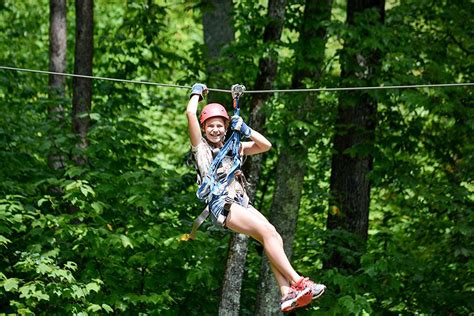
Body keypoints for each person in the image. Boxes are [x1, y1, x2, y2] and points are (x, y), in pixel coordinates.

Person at [186, 83, 326, 312]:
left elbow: (265, 146)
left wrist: (247, 129)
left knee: (273, 236)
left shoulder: (234, 147)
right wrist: (196, 92)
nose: (215, 130)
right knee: (268, 233)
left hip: (241, 203)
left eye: (219, 126)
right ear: (204, 128)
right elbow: (190, 113)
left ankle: (286, 293)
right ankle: (298, 282)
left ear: (226, 127)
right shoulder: (201, 149)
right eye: (210, 126)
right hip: (223, 205)